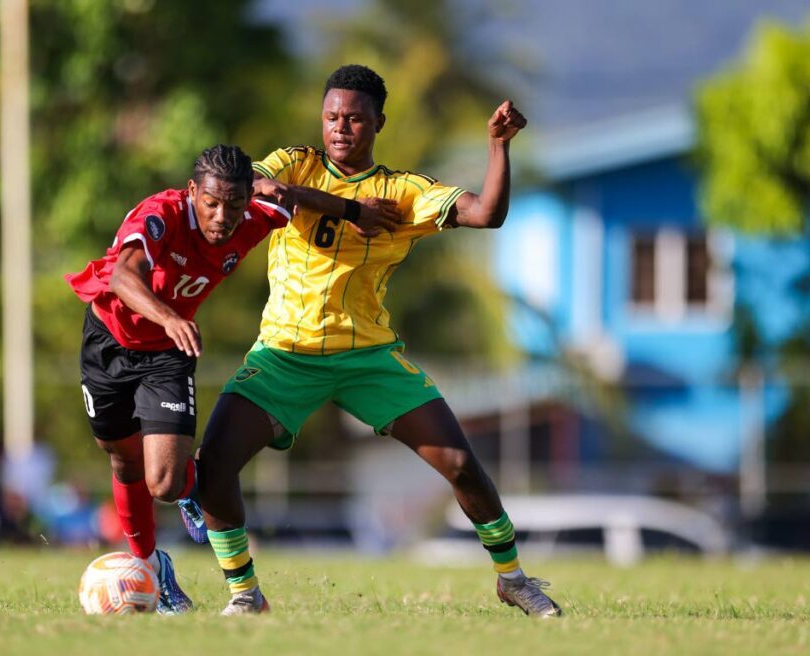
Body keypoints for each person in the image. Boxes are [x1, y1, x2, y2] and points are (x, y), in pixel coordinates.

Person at [193, 65, 562, 617]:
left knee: (461, 464)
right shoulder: (298, 162)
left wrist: (497, 146)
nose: (341, 128)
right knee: (214, 468)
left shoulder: (402, 193)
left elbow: (487, 214)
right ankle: (245, 595)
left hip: (367, 358)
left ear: (378, 123)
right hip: (284, 355)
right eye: (332, 117)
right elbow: (259, 188)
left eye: (355, 119)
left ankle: (512, 578)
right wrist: (350, 211)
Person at [64, 144, 398, 614]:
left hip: (167, 354)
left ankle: (194, 487)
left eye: (235, 206)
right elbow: (123, 275)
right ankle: (151, 567)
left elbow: (292, 197)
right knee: (123, 463)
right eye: (212, 203)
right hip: (108, 341)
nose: (223, 217)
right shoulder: (160, 215)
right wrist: (169, 317)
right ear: (193, 192)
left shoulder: (254, 218)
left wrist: (355, 210)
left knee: (162, 482)